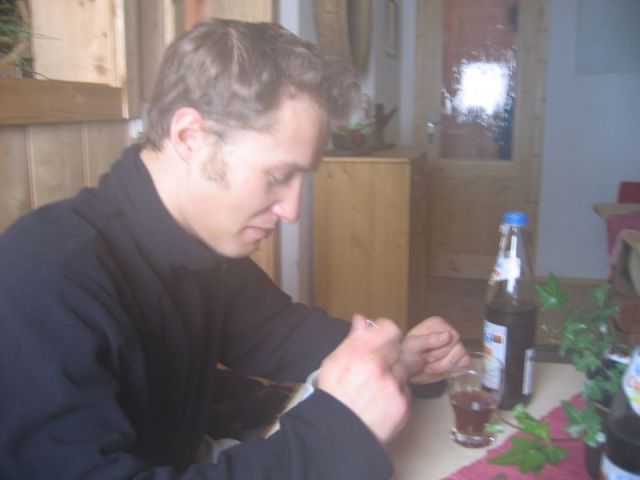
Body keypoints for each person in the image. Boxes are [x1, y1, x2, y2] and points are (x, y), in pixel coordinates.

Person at [0, 19, 468, 479]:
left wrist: (393, 356)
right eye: (278, 176)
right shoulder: (46, 278)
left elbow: (278, 332)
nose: (292, 211)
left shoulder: (199, 244)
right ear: (191, 138)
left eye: (302, 179)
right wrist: (336, 432)